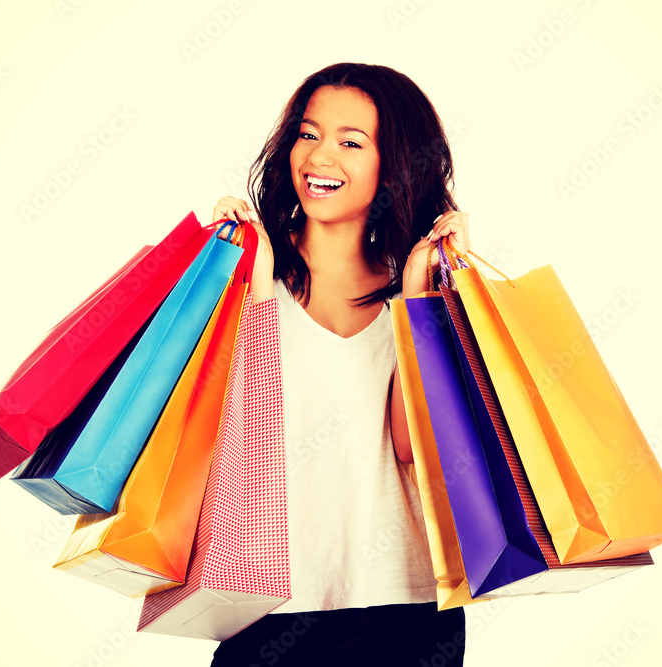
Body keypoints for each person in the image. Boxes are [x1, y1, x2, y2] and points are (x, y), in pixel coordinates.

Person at [209, 62, 471, 667]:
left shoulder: (423, 291)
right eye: (308, 134)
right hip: (264, 606)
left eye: (350, 143)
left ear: (394, 165)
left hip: (406, 606)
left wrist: (418, 302)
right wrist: (252, 289)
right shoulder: (248, 275)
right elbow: (239, 436)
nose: (319, 157)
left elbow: (413, 448)